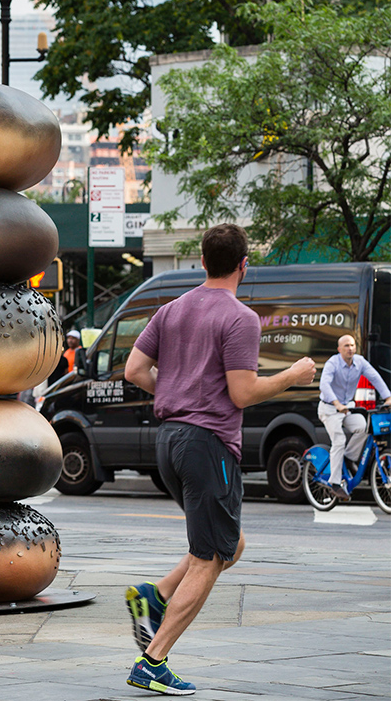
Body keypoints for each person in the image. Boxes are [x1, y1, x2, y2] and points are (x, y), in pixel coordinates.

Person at [122, 224, 316, 695]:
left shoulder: (171, 309)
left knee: (232, 544)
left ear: (203, 262)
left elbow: (133, 370)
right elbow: (242, 391)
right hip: (208, 445)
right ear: (243, 265)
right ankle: (153, 660)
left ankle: (156, 594)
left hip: (169, 443)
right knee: (212, 557)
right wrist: (293, 374)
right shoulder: (240, 317)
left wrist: (174, 391)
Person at [318, 333, 391, 502]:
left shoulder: (360, 362)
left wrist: (388, 396)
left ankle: (349, 458)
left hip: (345, 408)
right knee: (339, 440)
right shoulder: (333, 363)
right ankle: (334, 483)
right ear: (339, 349)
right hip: (329, 408)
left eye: (352, 345)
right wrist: (336, 403)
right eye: (346, 346)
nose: (350, 349)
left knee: (363, 427)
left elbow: (374, 377)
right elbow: (324, 385)